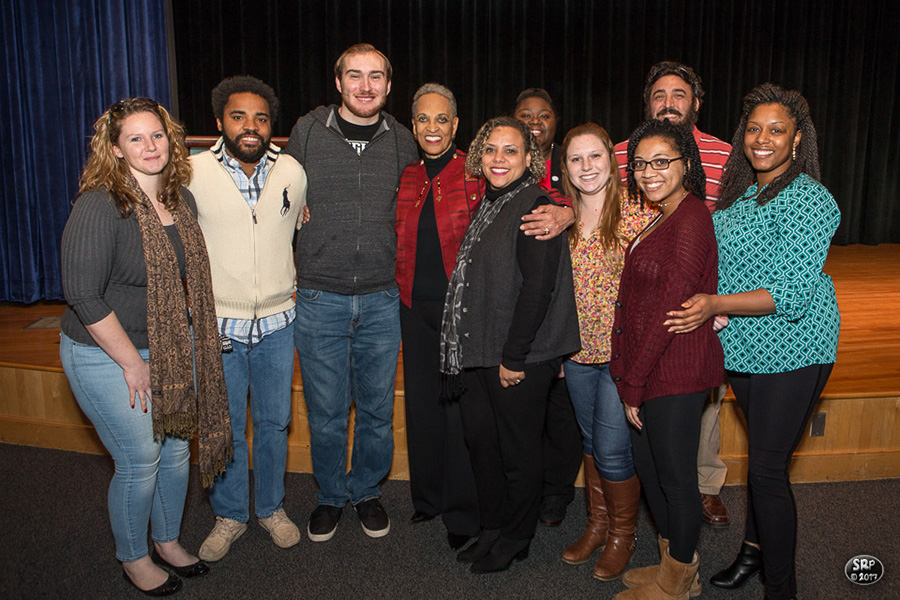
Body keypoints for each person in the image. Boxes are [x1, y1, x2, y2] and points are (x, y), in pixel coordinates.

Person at [665, 83, 841, 600]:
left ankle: (781, 589)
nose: (763, 139)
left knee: (765, 471)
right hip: (744, 350)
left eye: (777, 130)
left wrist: (714, 305)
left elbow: (790, 293)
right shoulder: (744, 193)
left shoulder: (811, 198)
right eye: (755, 129)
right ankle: (751, 552)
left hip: (795, 347)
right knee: (768, 463)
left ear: (796, 139)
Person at [60, 98, 231, 596]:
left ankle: (168, 540)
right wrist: (133, 364)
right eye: (135, 138)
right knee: (141, 459)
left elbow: (185, 279)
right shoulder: (100, 203)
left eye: (156, 135)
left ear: (171, 139)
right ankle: (133, 557)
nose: (149, 146)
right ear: (115, 149)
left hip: (171, 346)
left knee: (178, 451)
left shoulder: (181, 198)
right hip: (106, 353)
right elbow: (82, 294)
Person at [284, 43, 418, 542]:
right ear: (338, 82)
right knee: (326, 413)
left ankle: (366, 491)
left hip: (384, 300)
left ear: (388, 85)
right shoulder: (308, 132)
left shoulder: (404, 141)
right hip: (320, 298)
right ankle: (330, 496)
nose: (366, 86)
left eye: (376, 76)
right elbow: (277, 189)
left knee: (379, 412)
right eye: (355, 76)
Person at [441, 116, 580, 574]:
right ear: (480, 157)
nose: (499, 159)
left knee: (519, 454)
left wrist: (513, 357)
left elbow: (539, 289)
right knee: (484, 444)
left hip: (518, 356)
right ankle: (495, 525)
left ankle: (517, 537)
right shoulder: (489, 203)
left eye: (511, 151)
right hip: (480, 351)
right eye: (491, 150)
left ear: (529, 159)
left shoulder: (535, 206)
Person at [190, 76, 307, 561]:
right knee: (227, 425)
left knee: (276, 423)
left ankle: (272, 508)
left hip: (280, 324)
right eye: (239, 117)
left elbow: (299, 222)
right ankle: (230, 515)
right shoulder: (191, 174)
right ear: (220, 122)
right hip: (219, 328)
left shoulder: (293, 172)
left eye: (260, 118)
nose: (251, 127)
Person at [614, 61, 733, 527]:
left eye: (678, 94)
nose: (668, 103)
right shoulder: (628, 152)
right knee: (664, 454)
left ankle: (701, 497)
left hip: (695, 308)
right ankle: (675, 543)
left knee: (688, 438)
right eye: (659, 94)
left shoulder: (724, 157)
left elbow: (732, 230)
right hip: (654, 303)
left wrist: (719, 300)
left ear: (695, 103)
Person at [611, 119, 723, 600]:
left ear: (686, 164)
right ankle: (674, 564)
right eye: (639, 164)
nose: (648, 172)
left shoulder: (691, 217)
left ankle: (678, 583)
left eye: (661, 162)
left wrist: (633, 383)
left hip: (675, 371)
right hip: (654, 369)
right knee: (652, 469)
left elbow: (670, 306)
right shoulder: (665, 214)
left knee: (676, 480)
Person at [557, 123, 654, 581]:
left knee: (614, 451)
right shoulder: (561, 217)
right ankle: (597, 524)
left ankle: (623, 535)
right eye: (576, 159)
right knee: (592, 444)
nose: (586, 167)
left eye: (594, 156)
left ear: (611, 162)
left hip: (622, 356)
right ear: (565, 169)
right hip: (577, 355)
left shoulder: (639, 214)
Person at [395, 83, 482, 550]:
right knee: (422, 407)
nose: (432, 127)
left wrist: (562, 214)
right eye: (424, 119)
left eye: (442, 119)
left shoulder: (475, 170)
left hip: (460, 312)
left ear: (456, 124)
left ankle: (462, 512)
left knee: (458, 411)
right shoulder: (407, 175)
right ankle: (427, 499)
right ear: (413, 126)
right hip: (412, 307)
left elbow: (534, 199)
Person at [514, 87, 581, 527]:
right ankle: (527, 485)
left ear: (556, 121)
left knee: (563, 406)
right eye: (526, 115)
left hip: (568, 302)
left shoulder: (573, 160)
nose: (535, 121)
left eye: (544, 115)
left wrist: (569, 211)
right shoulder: (506, 158)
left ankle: (557, 492)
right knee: (524, 405)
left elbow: (604, 200)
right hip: (519, 300)